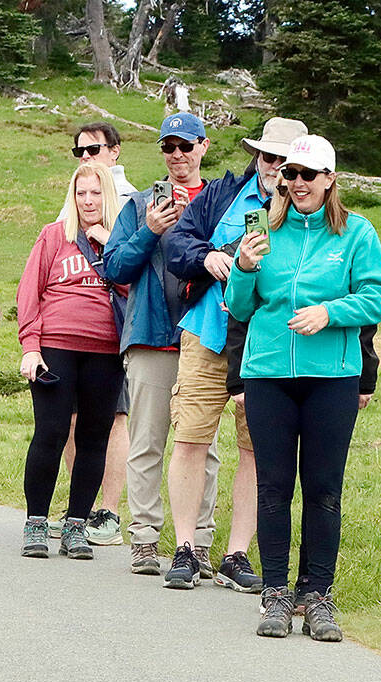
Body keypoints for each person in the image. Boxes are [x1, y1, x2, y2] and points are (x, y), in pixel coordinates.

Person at [226, 134, 381, 642]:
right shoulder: (262, 230)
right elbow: (239, 306)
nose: (296, 183)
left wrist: (331, 312)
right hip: (269, 374)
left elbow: (379, 296)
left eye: (307, 175)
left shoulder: (356, 233)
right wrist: (244, 267)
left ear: (329, 180)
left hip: (332, 378)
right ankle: (275, 592)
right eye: (288, 174)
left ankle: (317, 594)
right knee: (274, 487)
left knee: (323, 489)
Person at [161, 117, 308, 591]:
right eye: (268, 157)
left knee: (255, 448)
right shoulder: (223, 192)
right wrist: (209, 257)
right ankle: (185, 548)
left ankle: (237, 554)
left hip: (265, 344)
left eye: (287, 162)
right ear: (257, 157)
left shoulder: (307, 211)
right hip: (206, 333)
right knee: (190, 438)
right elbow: (176, 243)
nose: (276, 169)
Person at [103, 113, 220, 576]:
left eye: (185, 145)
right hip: (152, 335)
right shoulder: (138, 205)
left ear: (203, 147)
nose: (177, 155)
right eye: (168, 147)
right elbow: (112, 269)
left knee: (202, 445)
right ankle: (145, 540)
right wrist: (149, 230)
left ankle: (201, 544)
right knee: (147, 442)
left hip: (205, 336)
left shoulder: (219, 201)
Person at [16, 164, 125, 560]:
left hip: (105, 350)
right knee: (51, 431)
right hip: (56, 345)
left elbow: (133, 286)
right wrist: (31, 346)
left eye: (96, 193)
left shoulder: (121, 241)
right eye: (81, 193)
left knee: (94, 437)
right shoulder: (53, 236)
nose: (88, 201)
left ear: (107, 196)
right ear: (72, 196)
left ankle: (77, 523)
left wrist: (111, 245)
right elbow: (29, 292)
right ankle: (36, 521)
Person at [64, 122, 134, 545]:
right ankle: (82, 505)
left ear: (115, 152)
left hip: (115, 324)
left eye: (94, 149)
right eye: (80, 151)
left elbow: (138, 264)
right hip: (71, 330)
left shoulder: (131, 199)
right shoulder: (72, 195)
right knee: (71, 418)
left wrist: (109, 240)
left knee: (114, 417)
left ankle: (109, 508)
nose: (87, 156)